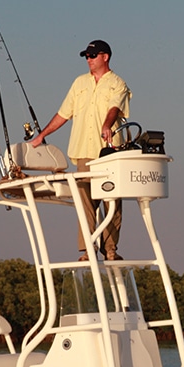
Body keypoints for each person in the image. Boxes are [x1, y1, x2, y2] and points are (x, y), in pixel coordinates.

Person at [29, 39, 131, 260]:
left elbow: (114, 108)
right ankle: (88, 249)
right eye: (86, 56)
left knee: (112, 201)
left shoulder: (118, 83)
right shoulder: (79, 83)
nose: (89, 60)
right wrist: (42, 136)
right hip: (83, 149)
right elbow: (64, 114)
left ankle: (110, 249)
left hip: (109, 152)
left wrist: (106, 125)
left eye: (92, 56)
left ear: (105, 57)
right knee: (85, 202)